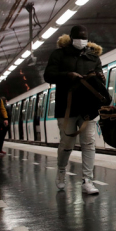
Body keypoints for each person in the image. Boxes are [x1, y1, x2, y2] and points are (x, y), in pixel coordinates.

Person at [44, 25, 104, 195]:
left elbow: (99, 81)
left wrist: (100, 78)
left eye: (84, 37)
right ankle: (61, 170)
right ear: (71, 38)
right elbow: (48, 75)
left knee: (89, 144)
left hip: (88, 107)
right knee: (67, 143)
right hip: (67, 107)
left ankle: (87, 180)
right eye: (79, 37)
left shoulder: (93, 57)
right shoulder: (58, 55)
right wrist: (67, 75)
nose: (82, 40)